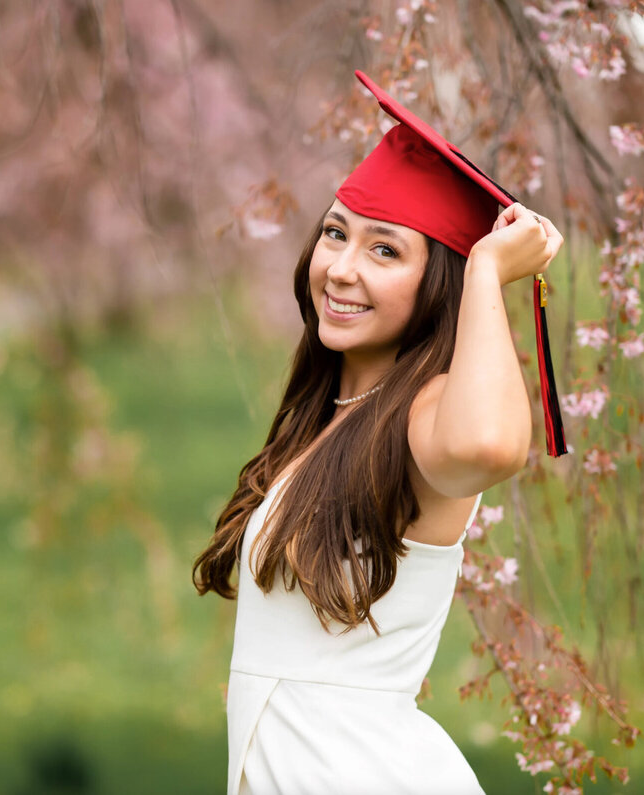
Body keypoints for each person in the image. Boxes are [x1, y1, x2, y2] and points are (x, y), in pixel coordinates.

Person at [192, 70, 566, 795]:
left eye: (384, 250)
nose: (340, 267)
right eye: (336, 233)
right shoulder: (325, 419)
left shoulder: (422, 416)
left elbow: (491, 445)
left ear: (437, 286)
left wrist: (487, 271)